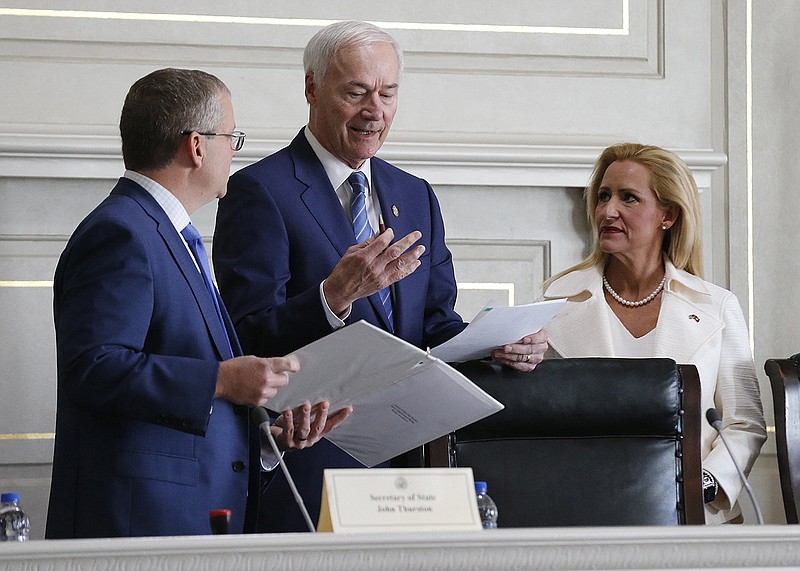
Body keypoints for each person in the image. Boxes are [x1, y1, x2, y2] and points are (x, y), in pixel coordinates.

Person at [213, 21, 548, 532]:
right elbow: (245, 335)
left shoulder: (414, 194)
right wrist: (332, 296)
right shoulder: (259, 191)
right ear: (311, 88)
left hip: (414, 466)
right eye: (357, 93)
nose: (376, 111)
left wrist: (495, 343)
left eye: (388, 93)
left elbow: (434, 325)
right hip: (310, 461)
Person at [46, 68, 350, 539]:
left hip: (189, 519)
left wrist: (270, 441)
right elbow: (93, 367)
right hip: (138, 527)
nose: (235, 151)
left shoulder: (167, 233)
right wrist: (223, 379)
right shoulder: (122, 232)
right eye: (232, 138)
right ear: (197, 146)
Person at [540, 142, 766, 524]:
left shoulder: (717, 306)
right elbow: (541, 423)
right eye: (603, 196)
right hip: (587, 513)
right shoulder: (555, 302)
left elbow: (744, 423)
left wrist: (703, 483)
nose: (608, 210)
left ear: (668, 215)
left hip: (694, 518)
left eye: (628, 198)